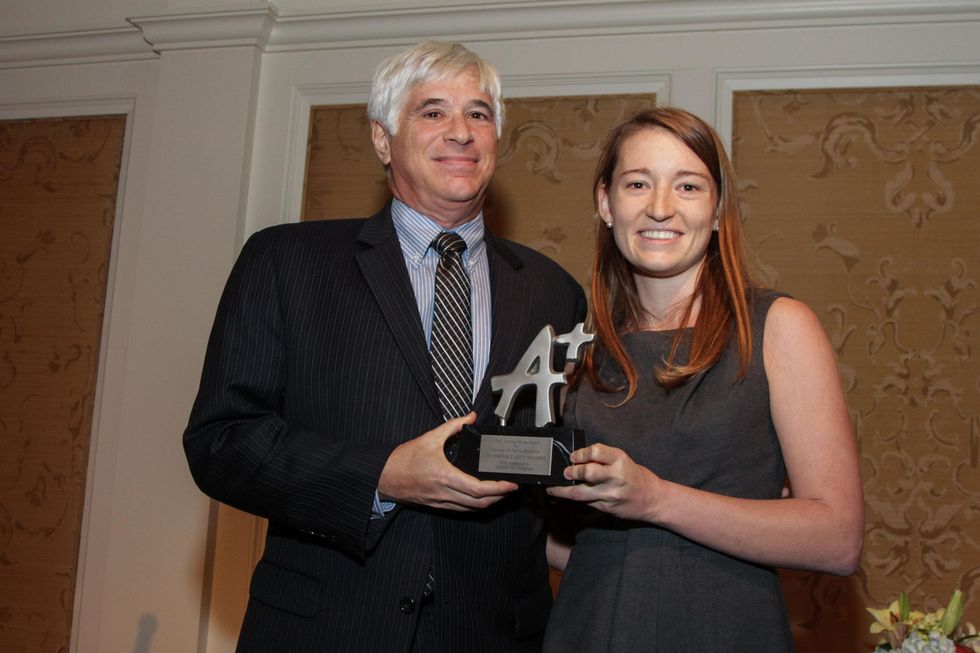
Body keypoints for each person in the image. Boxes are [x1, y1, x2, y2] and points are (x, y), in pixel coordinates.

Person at [183, 40, 585, 652]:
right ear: (382, 139)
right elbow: (221, 442)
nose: (461, 133)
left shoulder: (554, 291)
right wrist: (383, 476)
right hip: (325, 628)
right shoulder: (285, 262)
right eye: (433, 112)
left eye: (479, 114)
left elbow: (545, 465)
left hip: (496, 631)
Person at [542, 107, 864, 652]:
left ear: (717, 211)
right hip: (588, 627)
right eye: (637, 183)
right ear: (605, 202)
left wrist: (655, 499)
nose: (660, 208)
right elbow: (564, 539)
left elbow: (837, 540)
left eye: (687, 186)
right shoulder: (574, 349)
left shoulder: (777, 328)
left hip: (725, 629)